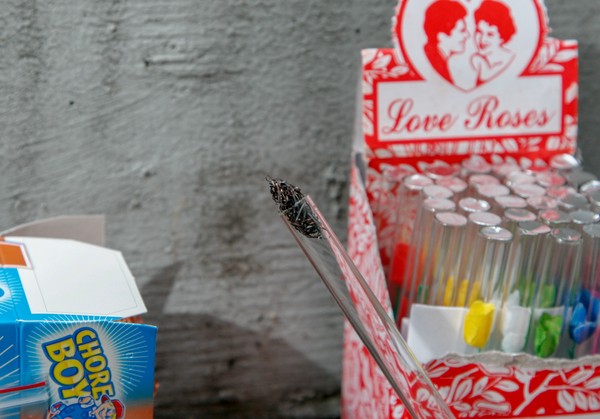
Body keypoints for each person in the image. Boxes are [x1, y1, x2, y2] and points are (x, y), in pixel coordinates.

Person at [423, 0, 470, 85]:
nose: (467, 35)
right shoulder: (428, 61)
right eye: (462, 31)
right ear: (442, 36)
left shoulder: (446, 61)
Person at [471, 0, 517, 84]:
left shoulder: (510, 60)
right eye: (479, 31)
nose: (482, 40)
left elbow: (485, 77)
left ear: (502, 38)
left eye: (490, 34)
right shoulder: (476, 59)